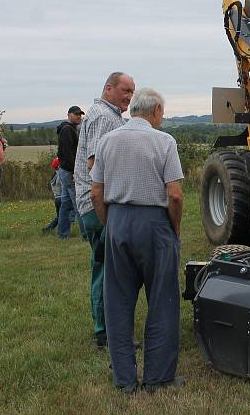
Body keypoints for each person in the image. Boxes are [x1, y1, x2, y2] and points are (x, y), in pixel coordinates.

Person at [91, 88, 184, 393]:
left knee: (117, 303)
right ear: (156, 110)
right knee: (162, 301)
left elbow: (95, 193)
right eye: (163, 112)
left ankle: (125, 380)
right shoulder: (165, 142)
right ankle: (158, 378)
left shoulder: (107, 141)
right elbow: (174, 194)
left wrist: (112, 224)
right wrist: (173, 229)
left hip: (117, 220)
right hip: (155, 225)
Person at [75, 72, 135, 347]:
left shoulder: (104, 114)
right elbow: (95, 163)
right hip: (98, 203)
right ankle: (107, 333)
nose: (129, 97)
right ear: (108, 88)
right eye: (125, 90)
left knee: (102, 266)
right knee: (111, 269)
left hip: (94, 201)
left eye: (132, 92)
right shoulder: (103, 117)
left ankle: (104, 329)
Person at [56, 106, 84, 239]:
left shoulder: (68, 128)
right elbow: (68, 153)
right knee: (78, 203)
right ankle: (86, 234)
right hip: (69, 171)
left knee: (65, 204)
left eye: (80, 114)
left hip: (64, 170)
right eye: (76, 114)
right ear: (69, 115)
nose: (78, 116)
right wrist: (75, 171)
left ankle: (63, 233)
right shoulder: (67, 130)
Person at [42, 157, 62, 234]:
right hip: (60, 198)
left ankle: (50, 228)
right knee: (62, 216)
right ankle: (50, 228)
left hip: (56, 198)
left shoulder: (54, 176)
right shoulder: (60, 176)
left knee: (59, 216)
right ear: (59, 166)